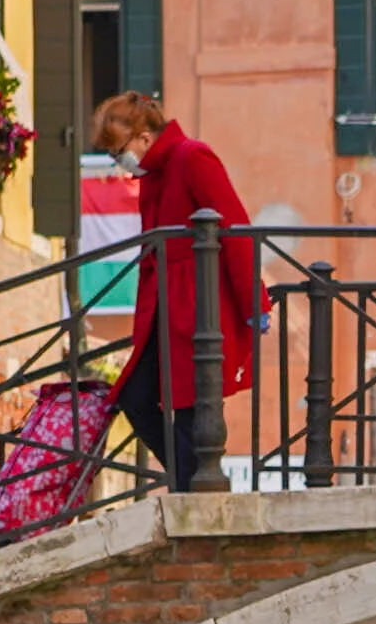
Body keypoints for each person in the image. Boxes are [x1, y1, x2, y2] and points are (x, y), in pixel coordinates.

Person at [95, 87, 265, 492]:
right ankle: (191, 484)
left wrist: (253, 300)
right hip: (164, 307)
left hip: (198, 305)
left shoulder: (193, 157)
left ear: (143, 138)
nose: (121, 164)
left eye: (120, 151)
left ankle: (196, 492)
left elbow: (234, 227)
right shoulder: (155, 175)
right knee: (136, 397)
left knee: (193, 406)